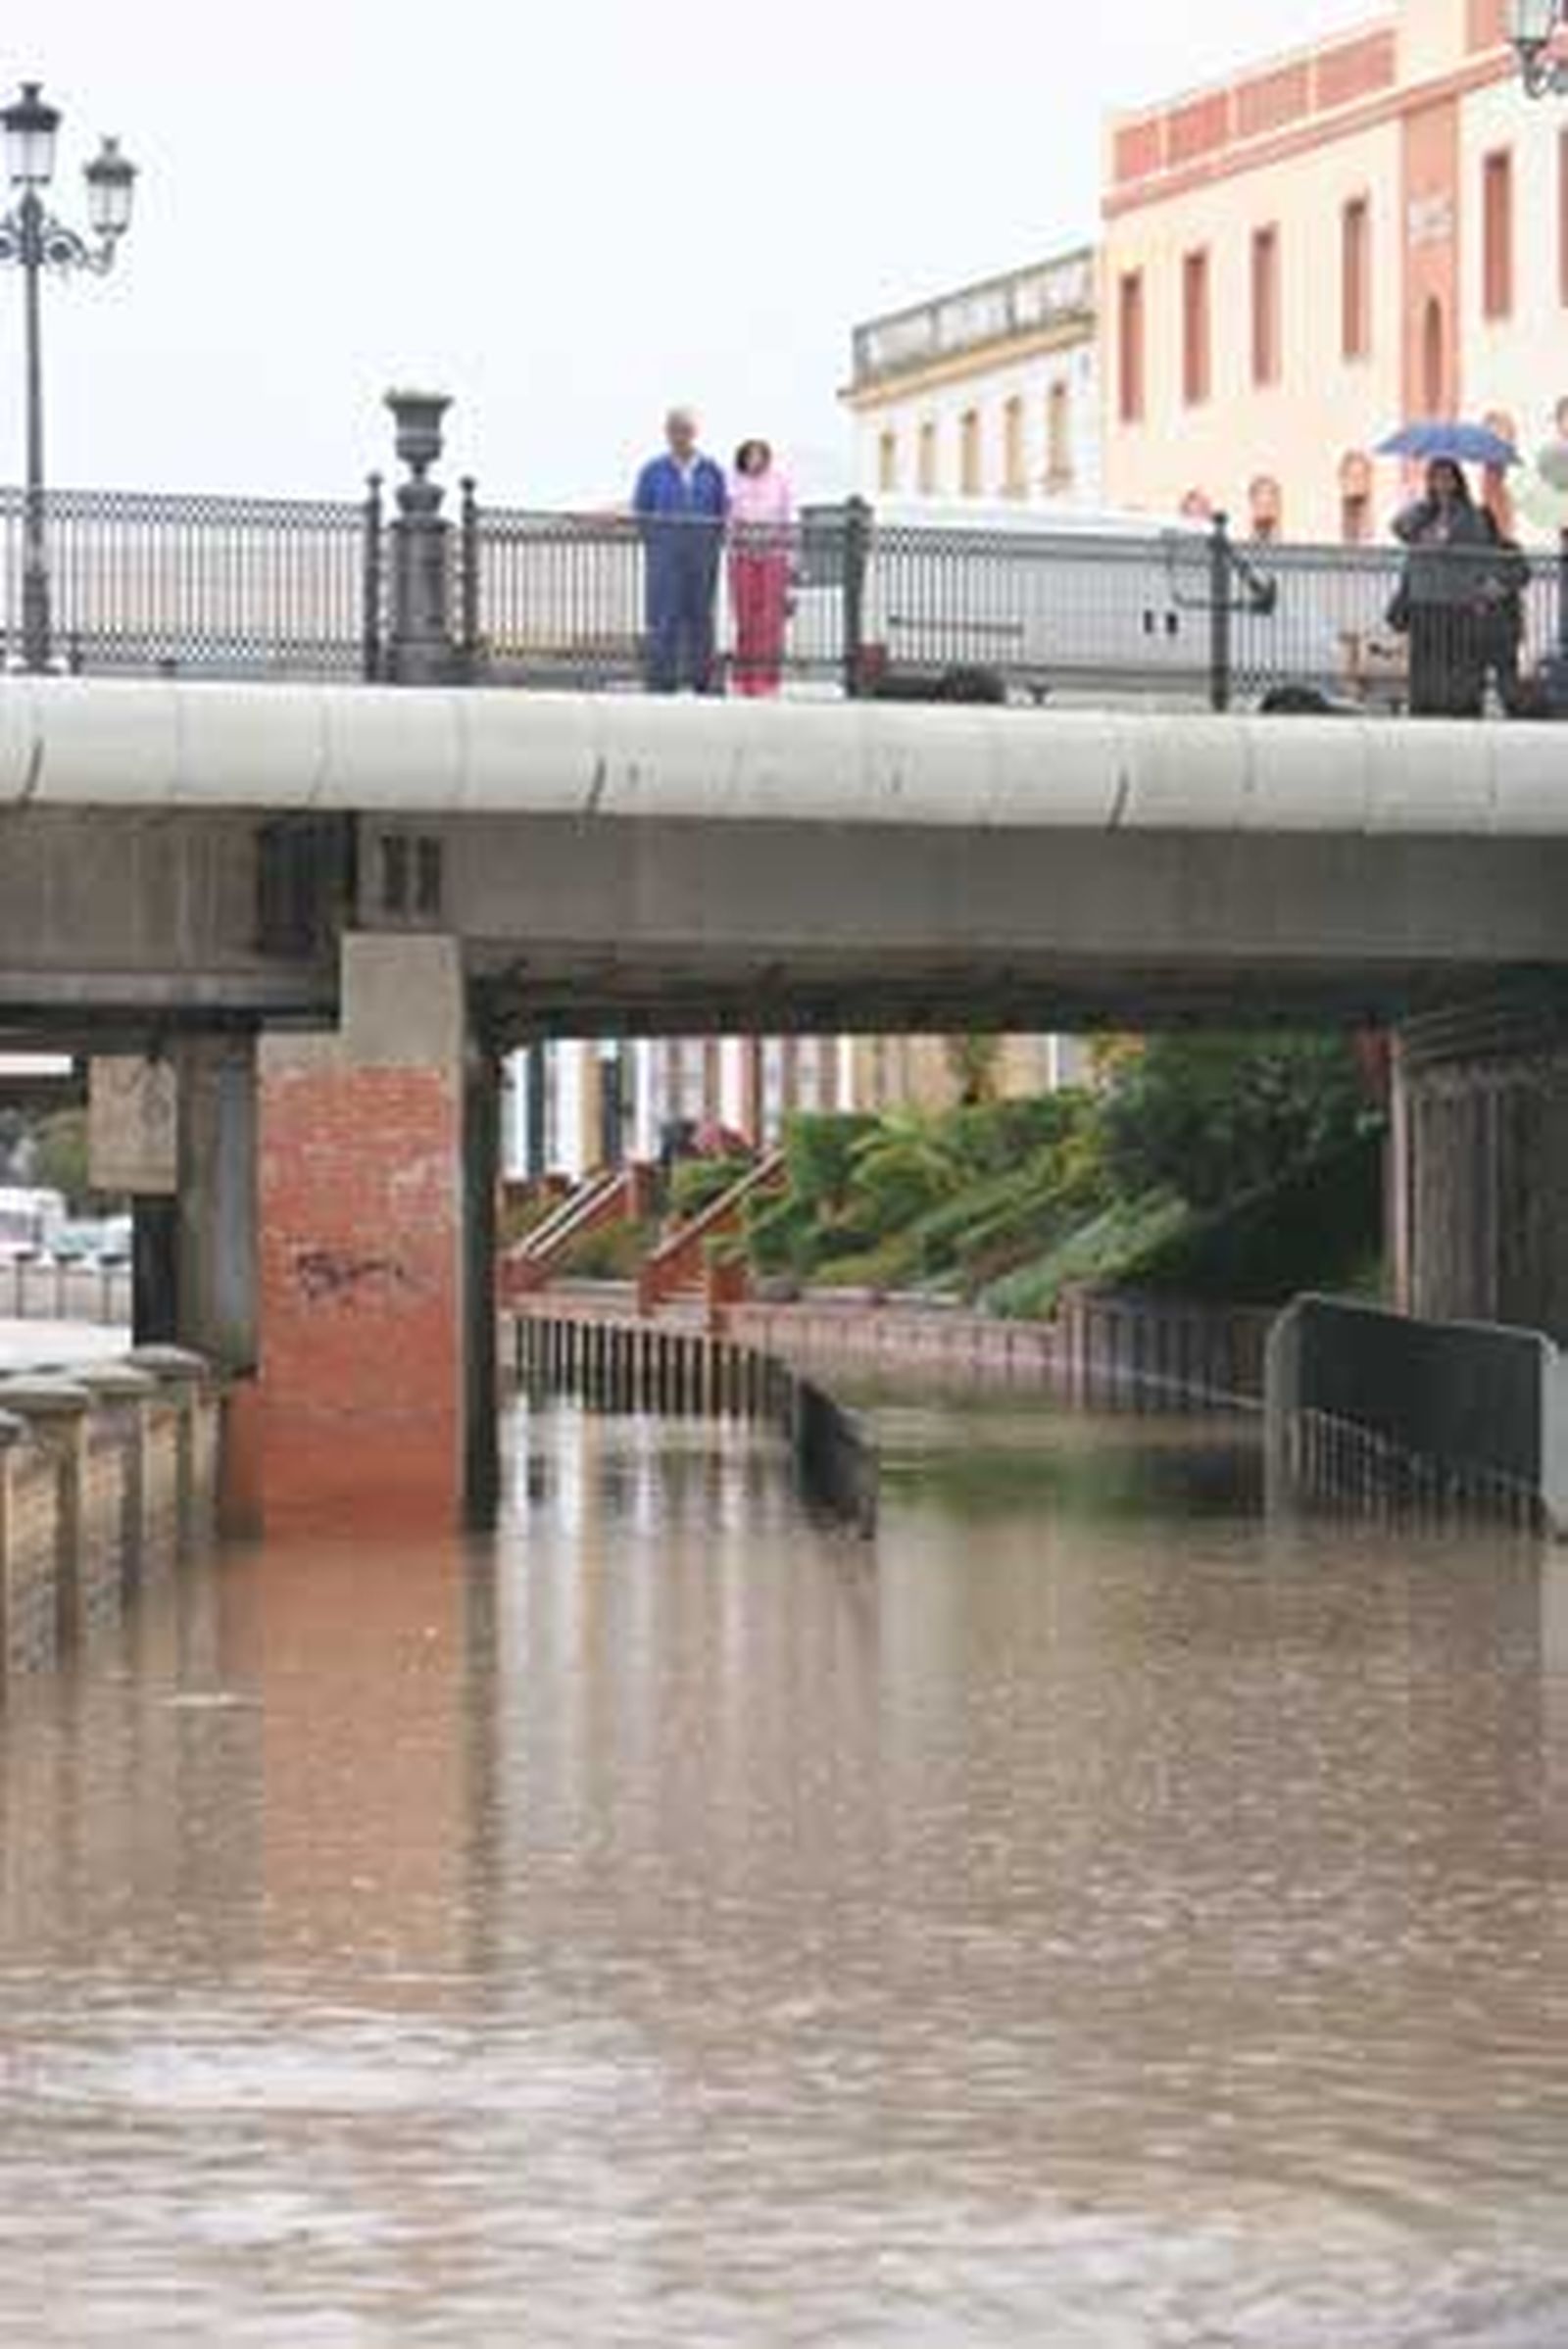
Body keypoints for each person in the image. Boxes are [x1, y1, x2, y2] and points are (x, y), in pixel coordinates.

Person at [633, 409, 728, 694]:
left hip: (702, 554)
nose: (678, 436)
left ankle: (702, 678)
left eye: (684, 430)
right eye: (673, 430)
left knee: (701, 616)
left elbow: (721, 510)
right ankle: (661, 679)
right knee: (664, 616)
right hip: (665, 554)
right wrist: (658, 541)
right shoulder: (652, 470)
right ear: (667, 434)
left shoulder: (711, 470)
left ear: (693, 433)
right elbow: (642, 510)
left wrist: (711, 542)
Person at [1389, 460, 1493, 716]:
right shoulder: (1424, 511)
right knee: (1425, 659)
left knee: (1457, 659)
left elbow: (1481, 547)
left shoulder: (1470, 515)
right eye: (1436, 479)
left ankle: (1460, 708)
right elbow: (1399, 527)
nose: (1442, 485)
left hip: (1456, 601)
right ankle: (1424, 706)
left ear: (1458, 482)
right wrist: (1426, 513)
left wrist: (1450, 536)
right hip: (1424, 598)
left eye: (1447, 479)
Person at [727, 439, 795, 697]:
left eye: (759, 455)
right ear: (742, 458)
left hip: (773, 556)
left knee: (770, 621)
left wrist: (790, 560)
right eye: (749, 455)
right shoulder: (734, 482)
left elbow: (788, 518)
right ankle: (742, 678)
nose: (754, 460)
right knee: (745, 619)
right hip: (743, 555)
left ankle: (768, 680)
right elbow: (729, 519)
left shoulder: (780, 481)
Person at [1477, 505, 1532, 715]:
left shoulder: (1509, 547)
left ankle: (1512, 706)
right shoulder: (1469, 547)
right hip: (1478, 620)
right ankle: (1475, 705)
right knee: (1477, 668)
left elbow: (1524, 573)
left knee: (1506, 667)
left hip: (1504, 619)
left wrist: (1503, 586)